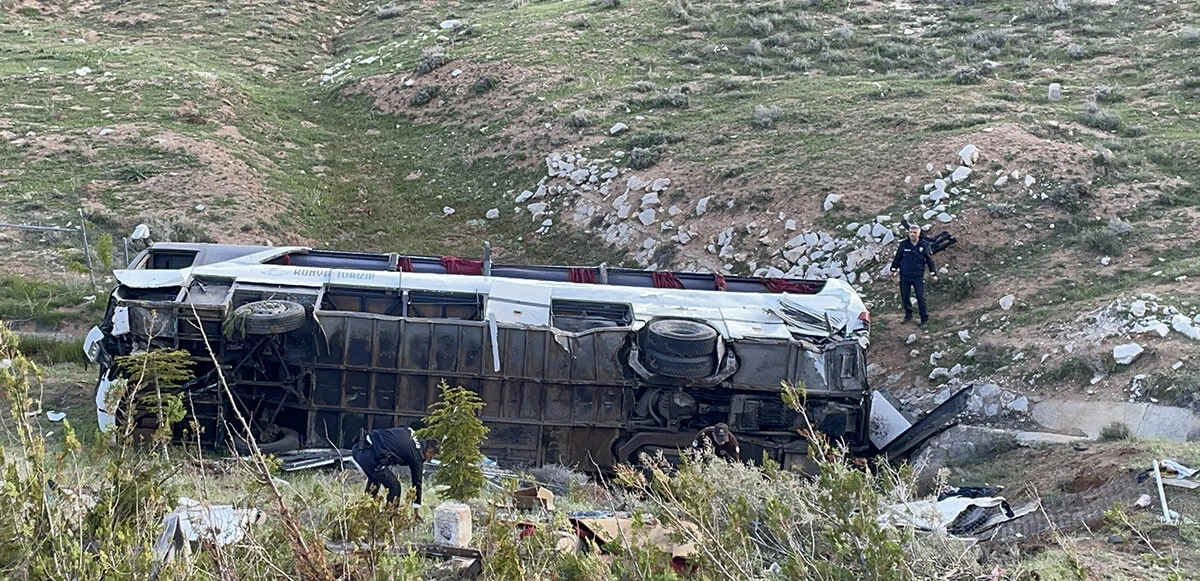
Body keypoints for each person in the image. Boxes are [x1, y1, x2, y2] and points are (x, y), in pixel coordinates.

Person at [351, 426, 437, 518]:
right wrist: (416, 510)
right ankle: (390, 518)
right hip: (369, 455)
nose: (429, 459)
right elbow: (417, 483)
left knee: (376, 480)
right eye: (430, 457)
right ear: (428, 452)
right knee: (395, 486)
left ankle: (363, 512)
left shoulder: (410, 430)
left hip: (359, 446)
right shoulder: (417, 456)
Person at [890, 223, 938, 329]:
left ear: (919, 233)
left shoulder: (924, 245)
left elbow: (929, 260)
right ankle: (908, 315)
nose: (912, 234)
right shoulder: (904, 244)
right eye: (911, 232)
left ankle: (924, 319)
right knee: (905, 297)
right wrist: (893, 269)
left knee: (920, 298)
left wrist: (933, 273)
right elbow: (897, 258)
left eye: (915, 232)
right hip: (905, 276)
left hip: (917, 276)